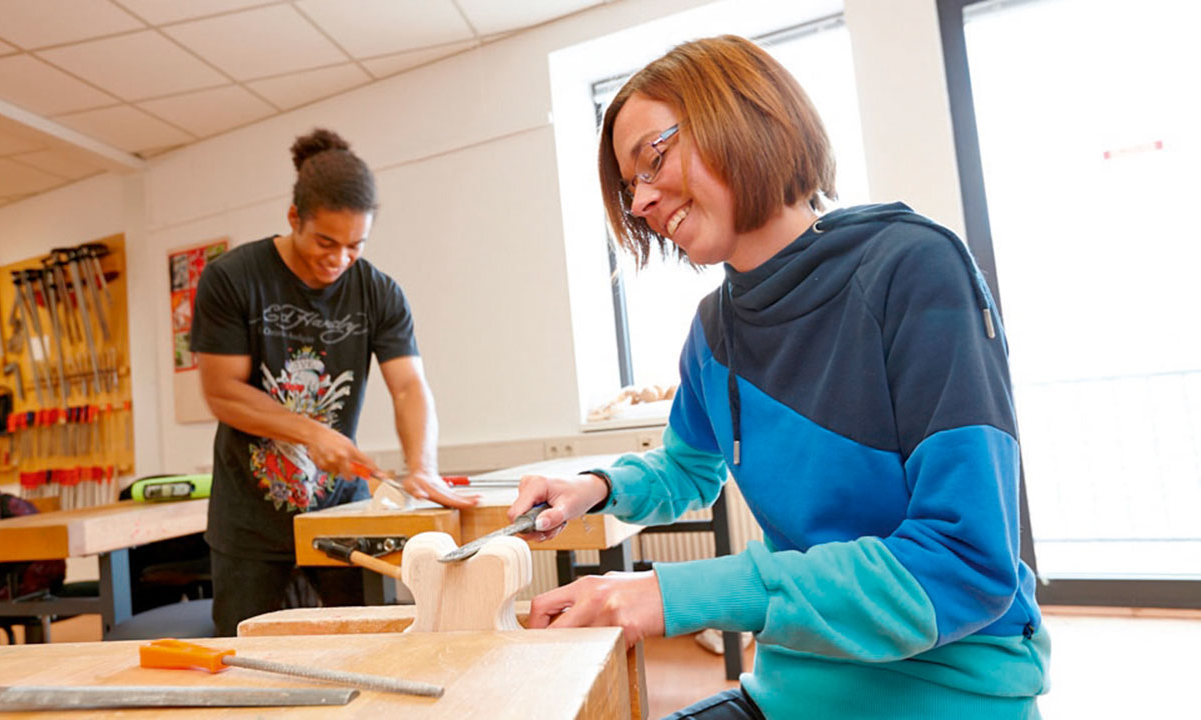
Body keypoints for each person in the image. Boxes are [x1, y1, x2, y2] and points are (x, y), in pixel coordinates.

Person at [508, 35, 1050, 719]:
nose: (641, 200)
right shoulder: (712, 334)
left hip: (947, 693)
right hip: (790, 694)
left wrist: (673, 595)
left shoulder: (914, 270)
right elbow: (688, 470)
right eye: (630, 186)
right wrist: (595, 487)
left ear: (740, 112)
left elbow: (965, 565)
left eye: (652, 158)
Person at [191, 128, 475, 636]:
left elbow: (409, 387)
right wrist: (311, 432)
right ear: (294, 218)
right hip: (249, 524)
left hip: (342, 516)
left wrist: (422, 466)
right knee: (247, 664)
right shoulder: (232, 279)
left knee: (369, 647)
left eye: (354, 246)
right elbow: (221, 391)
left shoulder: (379, 293)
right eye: (325, 242)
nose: (339, 259)